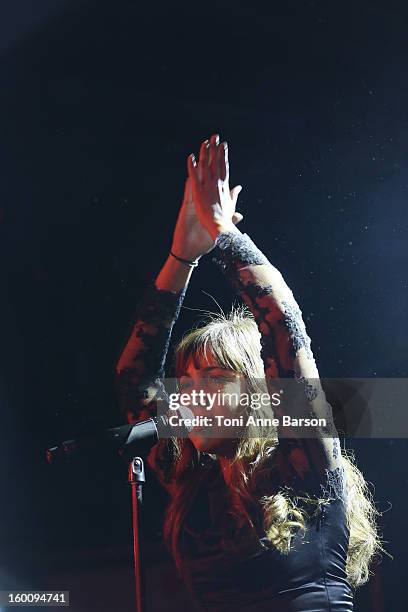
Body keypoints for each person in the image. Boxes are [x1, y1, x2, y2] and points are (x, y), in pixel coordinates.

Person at [115, 135, 381, 611]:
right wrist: (181, 257)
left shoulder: (304, 465)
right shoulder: (192, 485)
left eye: (215, 378)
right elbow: (133, 380)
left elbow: (283, 325)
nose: (191, 396)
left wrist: (221, 231)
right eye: (187, 382)